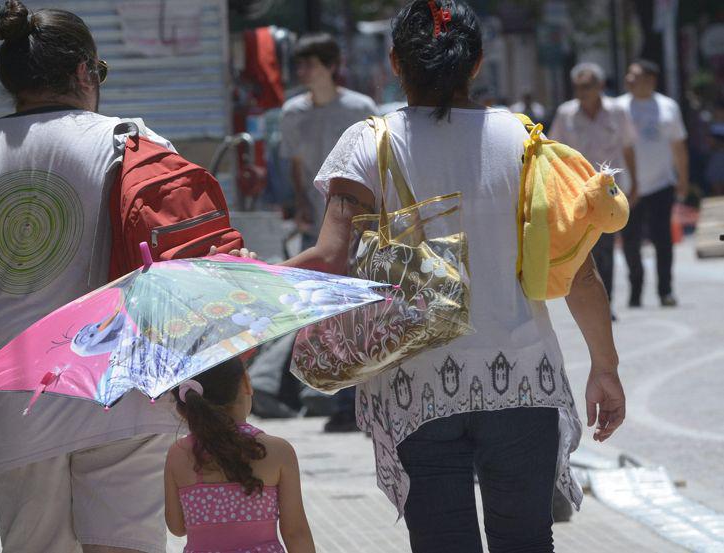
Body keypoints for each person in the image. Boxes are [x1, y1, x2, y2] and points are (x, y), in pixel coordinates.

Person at [283, 1, 626, 551]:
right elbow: (577, 271)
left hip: (415, 384)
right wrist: (604, 367)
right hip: (520, 378)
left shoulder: (368, 142)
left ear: (395, 63)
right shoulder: (523, 143)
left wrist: (244, 277)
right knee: (526, 541)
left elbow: (327, 258)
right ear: (477, 64)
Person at [0, 3, 180, 552]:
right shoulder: (135, 144)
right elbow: (182, 272)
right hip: (126, 390)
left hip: (14, 403)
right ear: (84, 72)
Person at [279, 33, 377, 433]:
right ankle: (328, 395)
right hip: (315, 227)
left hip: (359, 226)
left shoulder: (360, 108)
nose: (302, 72)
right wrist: (300, 206)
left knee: (357, 311)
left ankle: (355, 400)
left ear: (331, 66)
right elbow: (297, 165)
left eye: (310, 64)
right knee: (319, 314)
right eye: (299, 65)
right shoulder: (292, 112)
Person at [164, 358, 316, 553]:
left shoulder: (179, 454)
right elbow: (296, 532)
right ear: (246, 382)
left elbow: (177, 527)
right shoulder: (278, 451)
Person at [550, 62, 639, 312]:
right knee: (585, 247)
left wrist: (634, 183)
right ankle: (593, 301)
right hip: (576, 191)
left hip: (608, 192)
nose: (582, 91)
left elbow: (628, 147)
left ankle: (605, 301)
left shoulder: (617, 112)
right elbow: (553, 152)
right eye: (578, 87)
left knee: (607, 247)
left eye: (587, 86)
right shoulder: (566, 114)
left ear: (600, 86)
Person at [617, 60, 689, 307]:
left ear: (650, 80)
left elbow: (679, 146)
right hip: (627, 188)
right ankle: (635, 291)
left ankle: (665, 290)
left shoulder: (668, 107)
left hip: (661, 184)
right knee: (630, 241)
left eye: (635, 75)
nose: (629, 79)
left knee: (663, 240)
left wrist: (683, 180)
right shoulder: (619, 107)